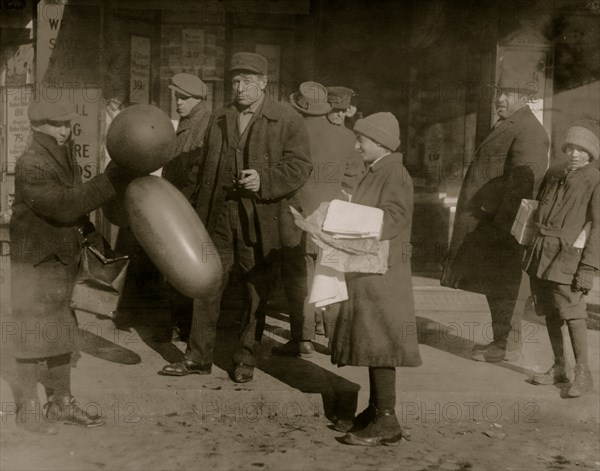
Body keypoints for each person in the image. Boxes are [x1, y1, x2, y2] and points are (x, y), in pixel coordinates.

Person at [158, 52, 311, 383]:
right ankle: (197, 356)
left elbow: (300, 167)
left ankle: (245, 358)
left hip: (261, 219)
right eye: (235, 82)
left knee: (255, 291)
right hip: (219, 215)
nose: (239, 88)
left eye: (246, 82)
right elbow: (203, 173)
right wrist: (194, 212)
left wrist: (264, 181)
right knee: (207, 283)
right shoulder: (220, 117)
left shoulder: (286, 119)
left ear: (263, 84)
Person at [8, 100, 133, 434]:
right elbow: (64, 206)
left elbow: (75, 210)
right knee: (32, 337)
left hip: (60, 261)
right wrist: (109, 182)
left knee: (62, 334)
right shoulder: (30, 163)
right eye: (57, 124)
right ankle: (29, 410)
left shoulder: (62, 156)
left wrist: (92, 241)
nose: (65, 130)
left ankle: (61, 403)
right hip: (35, 264)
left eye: (67, 124)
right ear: (37, 126)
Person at [329, 112, 422, 446]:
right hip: (372, 269)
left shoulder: (393, 172)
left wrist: (350, 218)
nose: (357, 146)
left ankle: (387, 420)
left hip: (383, 274)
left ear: (381, 142)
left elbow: (394, 218)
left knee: (381, 344)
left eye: (362, 140)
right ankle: (376, 409)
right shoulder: (379, 169)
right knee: (372, 341)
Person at [441, 82, 550, 362]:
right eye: (498, 93)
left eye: (508, 94)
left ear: (524, 97)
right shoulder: (511, 123)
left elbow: (524, 183)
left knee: (506, 285)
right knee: (496, 284)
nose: (499, 99)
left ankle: (505, 345)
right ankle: (502, 342)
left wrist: (503, 226)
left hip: (503, 225)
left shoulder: (529, 130)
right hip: (490, 221)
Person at [271, 81, 363, 357]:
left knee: (300, 277)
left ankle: (303, 339)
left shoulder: (288, 133)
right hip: (332, 218)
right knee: (331, 276)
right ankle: (335, 340)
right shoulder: (346, 138)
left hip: (296, 215)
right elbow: (354, 179)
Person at [525, 120, 599, 397]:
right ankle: (559, 367)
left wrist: (588, 267)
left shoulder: (595, 180)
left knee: (573, 312)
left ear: (591, 154)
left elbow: (598, 225)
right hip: (540, 251)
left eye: (582, 150)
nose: (575, 154)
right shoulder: (555, 172)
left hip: (568, 257)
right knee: (550, 310)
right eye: (571, 148)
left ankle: (583, 373)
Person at [160, 73, 211, 342]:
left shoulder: (203, 124)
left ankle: (187, 327)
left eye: (184, 98)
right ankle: (181, 324)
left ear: (198, 100)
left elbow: (196, 171)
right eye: (177, 97)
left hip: (189, 207)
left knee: (188, 268)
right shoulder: (189, 120)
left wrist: (181, 202)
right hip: (180, 203)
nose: (178, 102)